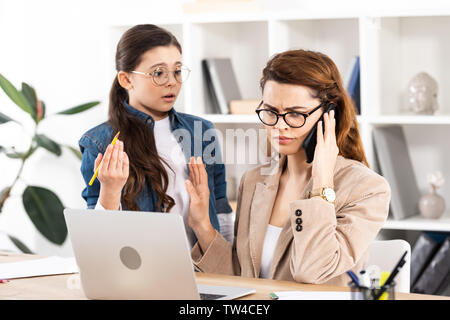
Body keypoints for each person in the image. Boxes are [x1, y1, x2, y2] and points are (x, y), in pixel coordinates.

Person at [185, 49, 391, 286]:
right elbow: (241, 278)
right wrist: (201, 224)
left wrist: (322, 184)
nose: (280, 126)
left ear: (329, 112)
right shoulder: (253, 181)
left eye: (295, 114)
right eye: (271, 112)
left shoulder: (366, 188)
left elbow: (311, 271)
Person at [79, 24, 233, 248]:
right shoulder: (100, 143)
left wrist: (229, 272)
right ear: (126, 80)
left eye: (177, 71)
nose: (172, 81)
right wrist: (110, 191)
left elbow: (222, 212)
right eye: (159, 73)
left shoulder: (202, 131)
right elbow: (97, 243)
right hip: (142, 276)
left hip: (204, 271)